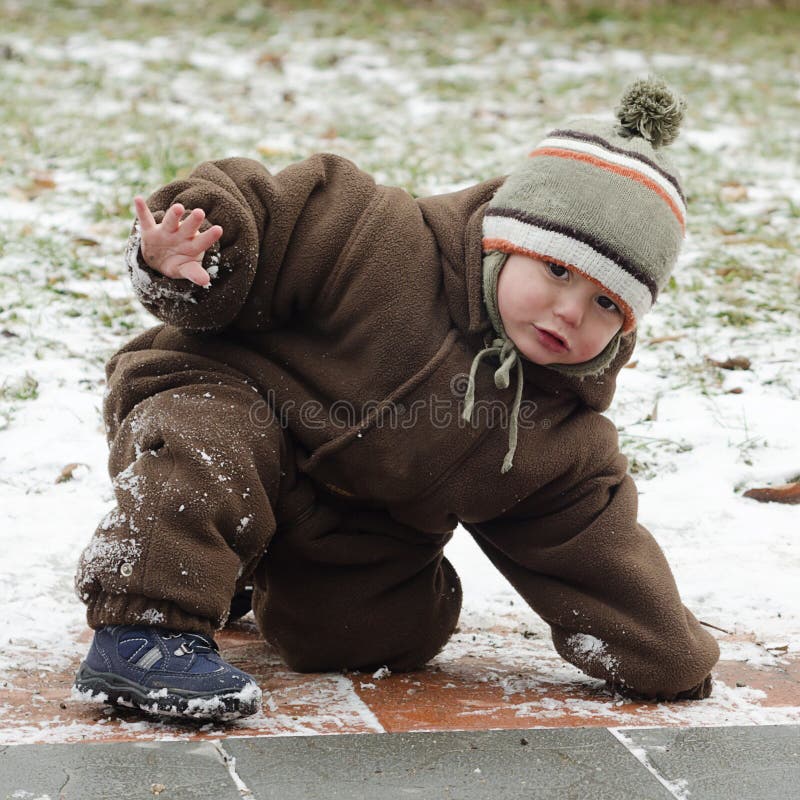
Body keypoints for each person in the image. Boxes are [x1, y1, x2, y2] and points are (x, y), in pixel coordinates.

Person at [73, 77, 720, 721]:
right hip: (224, 388)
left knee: (375, 633)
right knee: (210, 446)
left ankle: (245, 574)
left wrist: (668, 659)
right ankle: (144, 631)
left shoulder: (554, 432)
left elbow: (594, 546)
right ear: (505, 237)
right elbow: (267, 211)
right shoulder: (379, 238)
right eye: (556, 269)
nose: (570, 310)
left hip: (348, 513)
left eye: (607, 303)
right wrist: (200, 246)